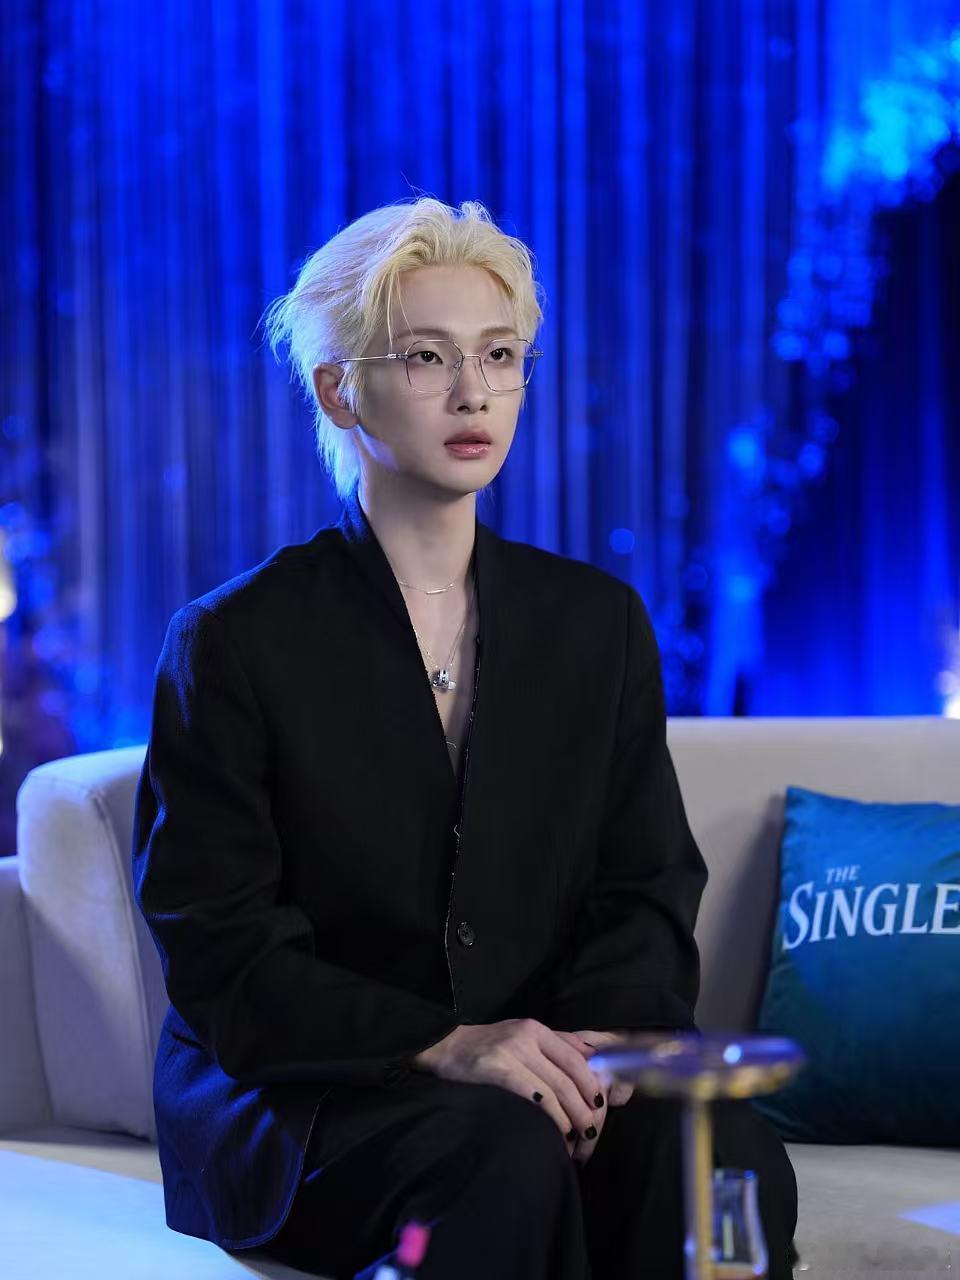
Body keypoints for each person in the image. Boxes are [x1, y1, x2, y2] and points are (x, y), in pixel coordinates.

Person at [131, 197, 798, 1279]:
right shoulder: (235, 640)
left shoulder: (596, 624)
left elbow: (646, 884)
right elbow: (223, 953)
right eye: (427, 356)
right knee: (496, 1157)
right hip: (311, 1093)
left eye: (499, 355)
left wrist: (592, 1053)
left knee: (720, 1150)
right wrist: (443, 1043)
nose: (473, 391)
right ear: (339, 390)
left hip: (541, 1067)